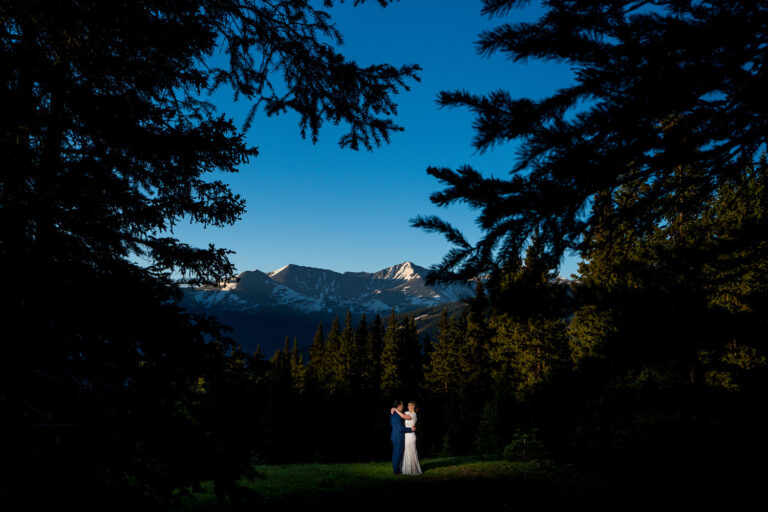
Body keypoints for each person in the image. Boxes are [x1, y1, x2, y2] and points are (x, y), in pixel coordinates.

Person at [391, 401, 422, 475]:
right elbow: (401, 414)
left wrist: (395, 409)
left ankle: (412, 470)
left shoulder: (413, 414)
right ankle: (405, 470)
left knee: (410, 452)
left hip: (410, 435)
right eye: (407, 405)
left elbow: (403, 417)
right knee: (405, 453)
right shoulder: (407, 412)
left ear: (413, 406)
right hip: (404, 435)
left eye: (410, 405)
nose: (408, 406)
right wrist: (394, 408)